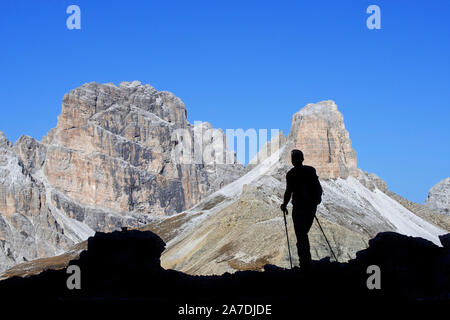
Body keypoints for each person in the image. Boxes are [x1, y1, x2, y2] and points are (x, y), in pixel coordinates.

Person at [280, 149, 322, 271]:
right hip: (310, 207)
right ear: (302, 159)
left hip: (299, 207)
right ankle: (305, 262)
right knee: (303, 233)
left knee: (301, 234)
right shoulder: (310, 171)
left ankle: (305, 263)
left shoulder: (291, 174)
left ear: (293, 161)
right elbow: (317, 189)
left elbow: (289, 191)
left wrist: (284, 204)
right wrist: (315, 201)